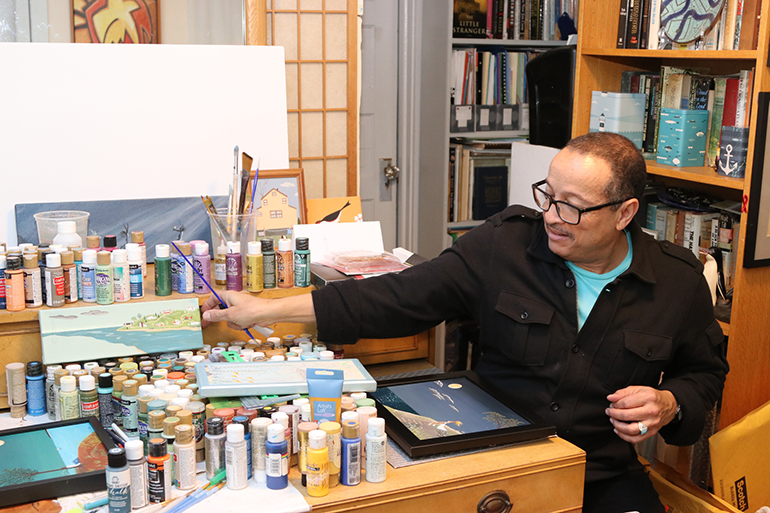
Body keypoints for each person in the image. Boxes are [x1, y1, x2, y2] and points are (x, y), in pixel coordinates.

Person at [201, 132, 729, 512]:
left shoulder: (677, 283)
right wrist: (261, 310)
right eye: (549, 195)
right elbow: (394, 298)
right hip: (491, 461)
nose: (551, 216)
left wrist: (671, 402)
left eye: (573, 207)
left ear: (624, 213)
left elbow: (705, 373)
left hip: (604, 475)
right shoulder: (505, 246)